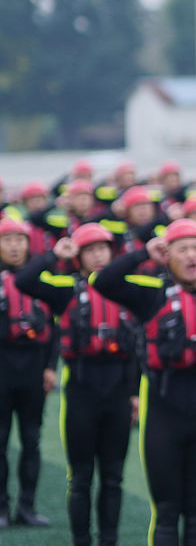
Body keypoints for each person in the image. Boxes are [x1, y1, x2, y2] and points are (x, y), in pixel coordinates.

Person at [91, 218, 196, 546]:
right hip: (163, 420)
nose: (191, 256)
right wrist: (142, 254)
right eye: (182, 248)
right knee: (166, 512)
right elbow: (103, 281)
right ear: (168, 256)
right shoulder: (151, 295)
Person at [15, 224, 137, 545]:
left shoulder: (128, 290)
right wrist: (54, 256)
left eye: (103, 248)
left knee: (113, 479)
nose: (98, 255)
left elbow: (138, 348)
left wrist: (135, 394)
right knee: (81, 479)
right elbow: (24, 281)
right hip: (82, 392)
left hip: (118, 394)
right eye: (91, 250)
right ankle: (81, 541)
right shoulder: (64, 289)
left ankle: (109, 540)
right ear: (79, 257)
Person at [0, 217, 57, 529]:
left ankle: (27, 507)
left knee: (31, 439)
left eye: (19, 239)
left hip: (34, 365)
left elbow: (58, 327)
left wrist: (51, 366)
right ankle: (2, 508)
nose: (13, 246)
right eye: (7, 239)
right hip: (3, 366)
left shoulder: (42, 279)